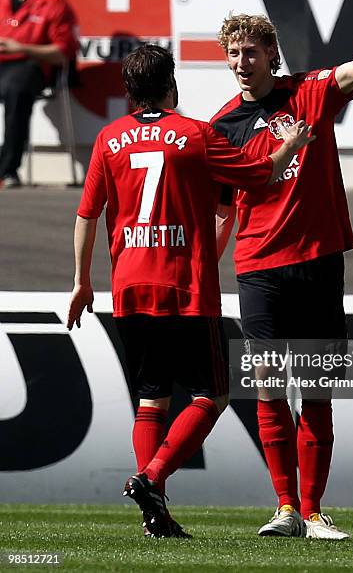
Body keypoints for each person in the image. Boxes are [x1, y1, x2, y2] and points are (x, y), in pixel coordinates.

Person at [212, 3, 353, 539]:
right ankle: (285, 508)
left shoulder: (309, 92)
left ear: (271, 53)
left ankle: (314, 510)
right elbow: (222, 209)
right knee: (270, 385)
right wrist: (203, 264)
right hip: (258, 267)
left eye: (251, 51)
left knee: (316, 387)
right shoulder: (222, 127)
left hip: (317, 259)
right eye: (233, 53)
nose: (241, 60)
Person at [66, 44, 314, 538]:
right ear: (170, 85)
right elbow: (261, 175)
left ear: (128, 91)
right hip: (185, 288)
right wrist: (291, 145)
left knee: (151, 400)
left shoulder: (109, 139)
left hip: (129, 287)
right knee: (213, 394)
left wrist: (81, 282)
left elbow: (86, 215)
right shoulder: (196, 135)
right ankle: (151, 477)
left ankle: (153, 513)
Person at [0, 0, 77, 188]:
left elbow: (63, 52)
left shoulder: (54, 3)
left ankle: (7, 170)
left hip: (32, 66)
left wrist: (21, 48)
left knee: (16, 89)